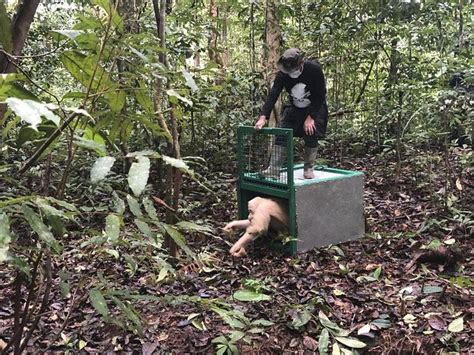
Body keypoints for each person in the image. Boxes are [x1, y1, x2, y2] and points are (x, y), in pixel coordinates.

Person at [255, 48, 328, 179]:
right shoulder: (283, 74)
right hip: (295, 106)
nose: (291, 73)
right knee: (282, 132)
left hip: (314, 106)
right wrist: (263, 116)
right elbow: (274, 93)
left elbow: (321, 94)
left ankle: (309, 168)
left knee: (310, 132)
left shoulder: (314, 70)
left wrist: (311, 117)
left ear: (301, 64)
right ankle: (273, 169)